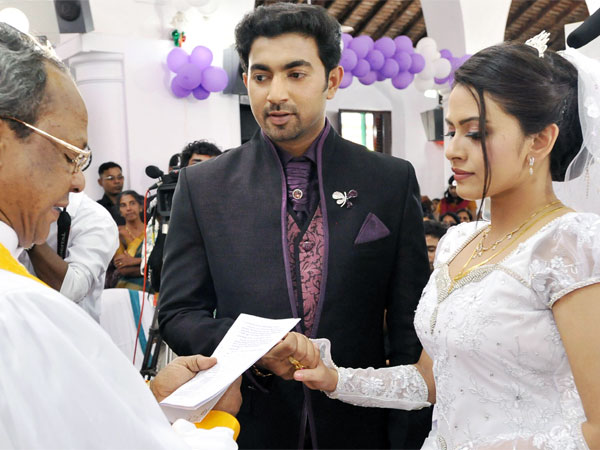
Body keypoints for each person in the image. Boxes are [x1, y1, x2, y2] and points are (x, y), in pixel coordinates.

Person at [293, 40, 600, 449]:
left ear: (540, 140)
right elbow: (431, 380)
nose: (453, 150)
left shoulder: (570, 244)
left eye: (476, 133)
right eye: (451, 130)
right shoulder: (458, 241)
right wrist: (336, 379)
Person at [158, 3, 429, 449]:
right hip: (249, 423)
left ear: (332, 81)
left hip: (358, 426)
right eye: (261, 76)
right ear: (246, 80)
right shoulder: (204, 185)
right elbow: (178, 314)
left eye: (296, 74)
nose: (275, 94)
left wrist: (406, 438)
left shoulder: (388, 180)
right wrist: (257, 348)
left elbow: (409, 327)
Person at [0, 23, 241, 449]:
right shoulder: (17, 307)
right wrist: (214, 421)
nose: (78, 182)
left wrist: (148, 400)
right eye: (70, 154)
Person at [21, 189, 119, 321]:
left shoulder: (95, 218)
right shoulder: (13, 207)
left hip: (65, 327)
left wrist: (29, 234)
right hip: (16, 321)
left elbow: (73, 289)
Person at [113, 189, 147, 291]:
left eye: (132, 203)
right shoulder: (117, 233)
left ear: (140, 207)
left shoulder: (152, 230)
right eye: (123, 205)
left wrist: (134, 261)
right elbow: (122, 269)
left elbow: (161, 262)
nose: (128, 208)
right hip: (127, 285)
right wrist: (149, 267)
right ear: (120, 211)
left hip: (154, 284)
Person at [97, 161, 125, 225]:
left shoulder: (136, 203)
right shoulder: (97, 208)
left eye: (119, 177)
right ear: (100, 182)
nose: (117, 181)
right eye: (111, 178)